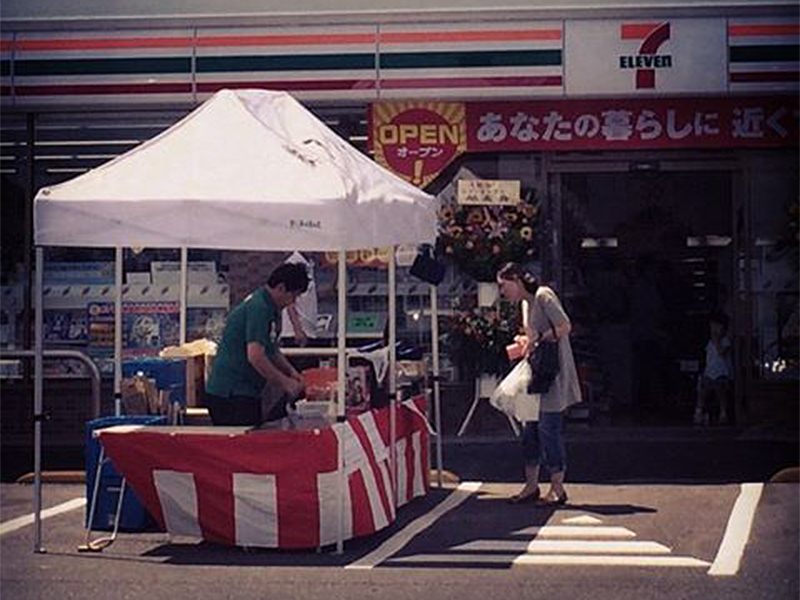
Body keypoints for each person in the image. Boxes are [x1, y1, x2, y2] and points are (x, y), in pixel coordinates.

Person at [497, 262, 582, 505]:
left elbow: (564, 326)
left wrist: (540, 339)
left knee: (548, 429)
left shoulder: (543, 295)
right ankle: (531, 485)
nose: (504, 292)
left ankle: (557, 487)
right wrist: (526, 341)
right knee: (528, 430)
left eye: (504, 285)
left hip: (550, 373)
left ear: (516, 279)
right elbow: (534, 334)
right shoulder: (526, 304)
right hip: (532, 373)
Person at [205, 262, 309, 426]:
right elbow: (255, 356)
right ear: (281, 288)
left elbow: (272, 349)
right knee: (244, 446)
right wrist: (285, 382)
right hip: (231, 392)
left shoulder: (270, 307)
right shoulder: (259, 307)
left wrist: (291, 372)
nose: (292, 302)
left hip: (245, 390)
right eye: (293, 296)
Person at [694, 311, 733, 425]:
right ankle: (699, 411)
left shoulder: (726, 341)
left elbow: (721, 352)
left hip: (722, 373)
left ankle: (723, 412)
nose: (714, 329)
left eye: (717, 326)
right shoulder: (709, 343)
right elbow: (708, 360)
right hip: (710, 373)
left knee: (720, 386)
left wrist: (717, 340)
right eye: (712, 326)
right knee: (702, 386)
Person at [280, 251, 318, 347]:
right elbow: (289, 301)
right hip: (296, 333)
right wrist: (298, 329)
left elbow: (307, 296)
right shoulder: (293, 263)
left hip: (309, 330)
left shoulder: (309, 265)